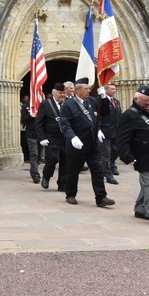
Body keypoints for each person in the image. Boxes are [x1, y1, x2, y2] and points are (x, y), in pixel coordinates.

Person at [116, 85, 149, 226]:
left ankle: (140, 208)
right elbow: (122, 138)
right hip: (143, 156)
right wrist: (127, 156)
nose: (148, 103)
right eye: (145, 100)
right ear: (136, 99)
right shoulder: (129, 115)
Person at [59, 77, 114, 207]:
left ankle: (101, 197)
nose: (89, 91)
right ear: (77, 91)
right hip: (76, 145)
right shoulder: (69, 104)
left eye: (89, 88)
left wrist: (104, 98)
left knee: (97, 170)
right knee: (73, 171)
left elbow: (104, 113)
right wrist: (72, 137)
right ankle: (70, 194)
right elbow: (65, 124)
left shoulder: (92, 101)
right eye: (86, 89)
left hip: (91, 144)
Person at [35, 83, 67, 191]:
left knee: (65, 161)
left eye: (63, 92)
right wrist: (42, 137)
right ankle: (46, 176)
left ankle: (62, 183)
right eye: (60, 92)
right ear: (54, 93)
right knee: (53, 159)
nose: (62, 95)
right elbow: (39, 122)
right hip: (52, 138)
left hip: (66, 138)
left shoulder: (68, 104)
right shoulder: (46, 104)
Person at [99, 82, 122, 183]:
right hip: (105, 130)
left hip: (116, 130)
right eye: (112, 89)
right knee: (106, 153)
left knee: (116, 150)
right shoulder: (101, 101)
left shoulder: (116, 101)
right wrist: (99, 129)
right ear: (106, 90)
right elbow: (99, 116)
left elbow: (119, 115)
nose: (114, 91)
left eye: (115, 89)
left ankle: (111, 165)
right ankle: (107, 173)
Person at [21, 94, 40, 183]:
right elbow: (23, 119)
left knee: (39, 154)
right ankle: (35, 174)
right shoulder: (26, 106)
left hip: (41, 133)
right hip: (31, 133)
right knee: (34, 154)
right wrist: (30, 115)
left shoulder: (42, 104)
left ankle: (34, 170)